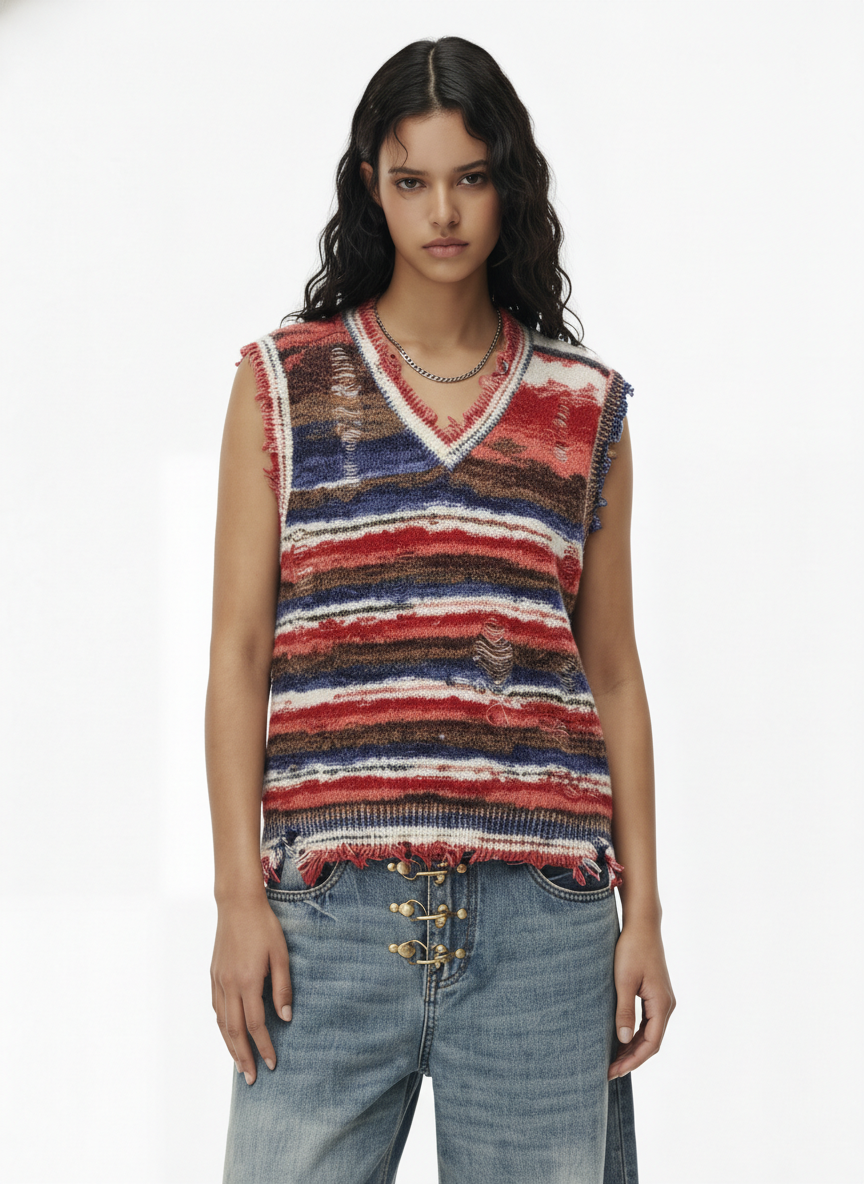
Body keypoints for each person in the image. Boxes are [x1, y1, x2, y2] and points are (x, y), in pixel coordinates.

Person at [207, 35, 675, 1184]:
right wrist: (235, 899)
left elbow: (613, 671)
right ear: (371, 184)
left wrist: (647, 914)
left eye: (470, 177)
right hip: (326, 916)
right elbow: (239, 651)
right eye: (412, 179)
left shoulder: (584, 409)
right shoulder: (284, 384)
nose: (444, 212)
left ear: (509, 183)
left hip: (544, 919)